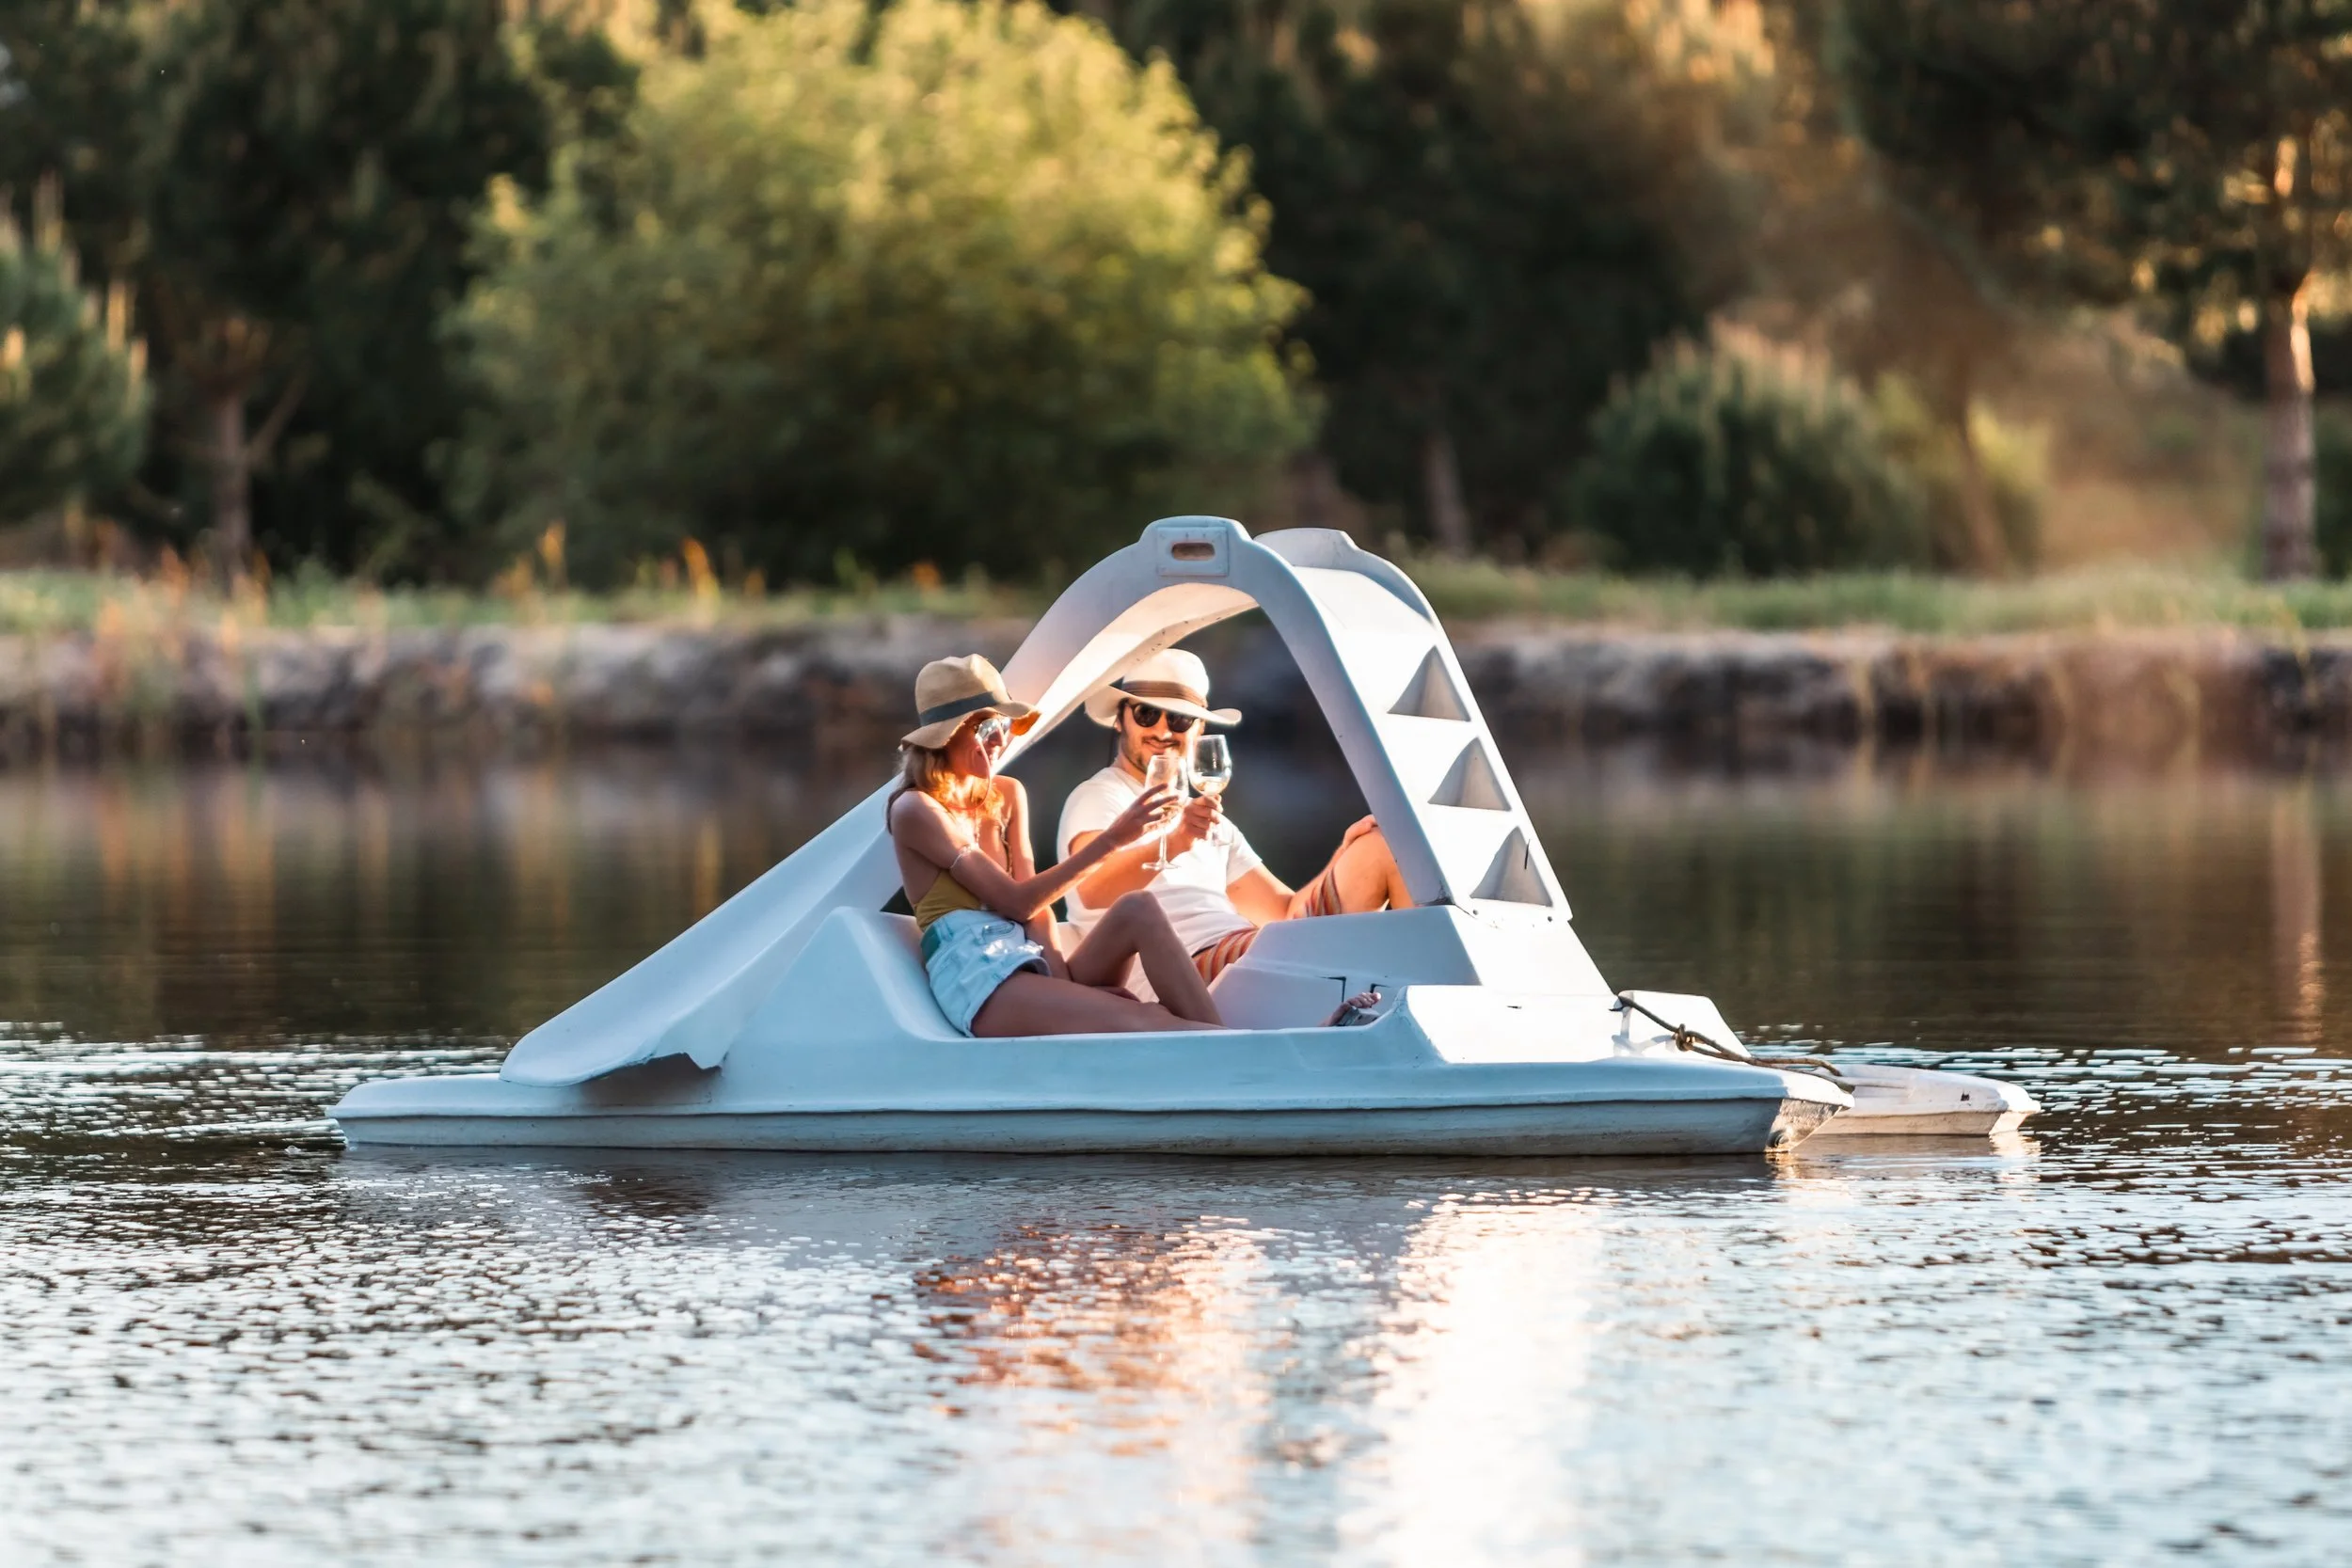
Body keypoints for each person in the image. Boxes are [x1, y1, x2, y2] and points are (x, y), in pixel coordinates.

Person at [889, 655, 1228, 1037]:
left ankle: (1234, 1056)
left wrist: (1064, 987)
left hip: (1025, 960)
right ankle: (1244, 1064)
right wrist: (1114, 838)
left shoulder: (1008, 794)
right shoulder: (916, 808)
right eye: (986, 730)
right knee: (1147, 1019)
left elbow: (1037, 914)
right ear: (946, 738)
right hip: (978, 979)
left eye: (1004, 725)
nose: (1001, 741)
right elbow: (1016, 902)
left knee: (1139, 907)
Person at [1057, 649, 1414, 990]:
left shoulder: (1205, 821)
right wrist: (1179, 840)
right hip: (1183, 972)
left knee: (1381, 847)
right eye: (1147, 714)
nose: (1163, 732)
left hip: (1238, 951)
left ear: (1198, 730)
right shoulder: (1100, 796)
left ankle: (1432, 996)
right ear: (1121, 719)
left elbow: (1284, 912)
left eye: (1179, 719)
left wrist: (1344, 854)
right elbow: (1092, 890)